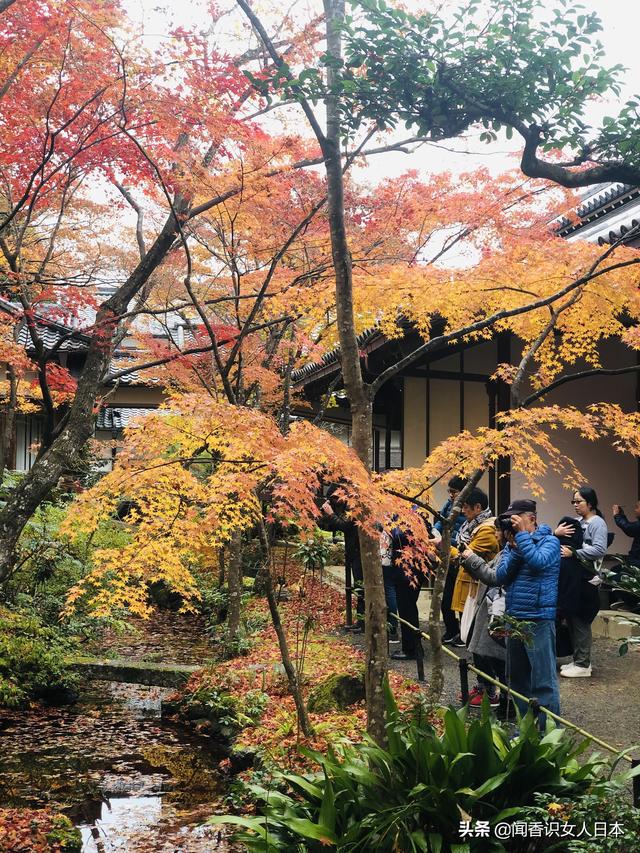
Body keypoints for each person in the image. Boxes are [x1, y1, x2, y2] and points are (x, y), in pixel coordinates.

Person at [462, 499, 561, 728]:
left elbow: (538, 562)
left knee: (543, 682)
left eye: (517, 518)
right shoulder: (512, 546)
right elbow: (501, 577)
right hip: (514, 618)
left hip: (539, 619)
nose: (512, 523)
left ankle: (549, 732)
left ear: (532, 519)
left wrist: (523, 537)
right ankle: (525, 729)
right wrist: (516, 547)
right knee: (517, 681)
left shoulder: (550, 542)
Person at [555, 487, 608, 678]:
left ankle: (584, 664)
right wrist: (556, 532)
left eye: (579, 501)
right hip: (574, 578)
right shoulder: (577, 522)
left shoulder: (597, 523)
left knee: (581, 619)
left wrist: (574, 553)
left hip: (588, 578)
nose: (576, 505)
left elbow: (600, 549)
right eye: (574, 502)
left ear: (590, 503)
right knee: (571, 616)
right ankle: (578, 660)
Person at [463, 522, 507, 711]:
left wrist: (472, 558)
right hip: (488, 605)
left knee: (496, 657)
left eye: (498, 530)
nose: (496, 534)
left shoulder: (510, 554)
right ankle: (488, 690)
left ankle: (496, 695)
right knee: (482, 651)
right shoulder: (503, 551)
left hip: (496, 608)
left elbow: (494, 576)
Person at [448, 487, 499, 647]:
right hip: (469, 582)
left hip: (478, 586)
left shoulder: (487, 529)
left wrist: (444, 546)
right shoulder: (470, 525)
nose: (463, 511)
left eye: (465, 507)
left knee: (476, 631)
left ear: (478, 507)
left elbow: (466, 554)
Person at [320, 486, 364, 630]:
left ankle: (362, 622)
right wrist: (323, 516)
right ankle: (361, 622)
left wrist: (331, 513)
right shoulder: (343, 506)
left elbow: (344, 525)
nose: (334, 501)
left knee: (360, 587)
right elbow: (333, 526)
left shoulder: (353, 506)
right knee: (358, 587)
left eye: (335, 498)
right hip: (353, 551)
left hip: (359, 552)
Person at [555, 516, 599, 660]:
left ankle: (582, 664)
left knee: (580, 630)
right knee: (576, 630)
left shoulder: (571, 556)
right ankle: (578, 661)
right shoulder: (575, 553)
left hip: (580, 602)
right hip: (578, 601)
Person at [436, 476, 467, 644]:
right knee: (445, 598)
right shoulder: (449, 504)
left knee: (461, 600)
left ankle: (463, 634)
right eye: (450, 491)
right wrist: (435, 532)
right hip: (446, 552)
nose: (451, 494)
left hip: (460, 555)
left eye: (453, 491)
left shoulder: (469, 508)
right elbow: (440, 521)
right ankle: (451, 629)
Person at [610, 501, 640, 610]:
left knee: (617, 578)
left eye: (637, 507)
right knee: (613, 571)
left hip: (636, 563)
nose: (635, 510)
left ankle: (632, 603)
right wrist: (621, 515)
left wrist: (617, 515)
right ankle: (628, 602)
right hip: (634, 561)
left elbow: (628, 528)